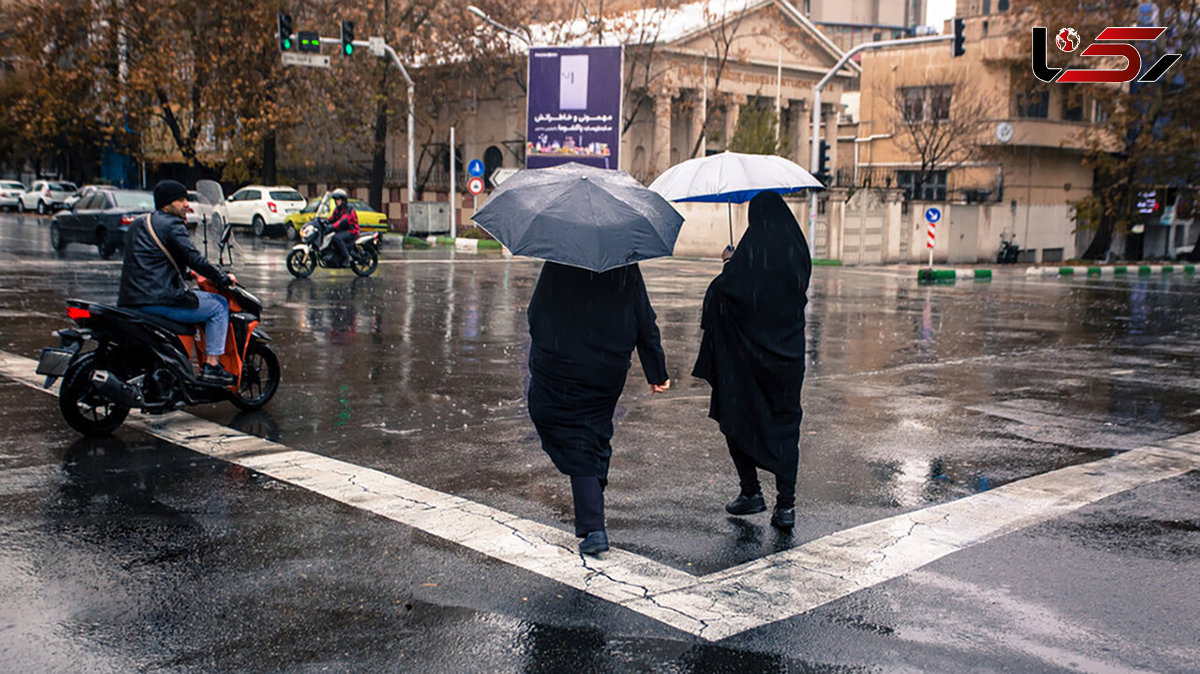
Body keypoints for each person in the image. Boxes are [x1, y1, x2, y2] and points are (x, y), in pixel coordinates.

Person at [527, 262, 670, 556]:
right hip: (608, 367)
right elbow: (644, 318)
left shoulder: (562, 259)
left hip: (564, 363)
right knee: (593, 429)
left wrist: (546, 351)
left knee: (572, 435)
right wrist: (656, 371)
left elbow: (536, 314)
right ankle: (592, 485)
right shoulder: (624, 262)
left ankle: (594, 526)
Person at [692, 191, 811, 530]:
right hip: (788, 358)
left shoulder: (752, 252)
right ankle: (785, 506)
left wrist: (730, 263)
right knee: (787, 427)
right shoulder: (797, 250)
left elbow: (724, 293)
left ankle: (751, 491)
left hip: (747, 362)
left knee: (736, 416)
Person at [118, 180, 239, 386]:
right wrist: (222, 277)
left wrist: (188, 273)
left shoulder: (140, 223)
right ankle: (212, 366)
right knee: (219, 306)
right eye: (180, 200)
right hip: (160, 299)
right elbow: (193, 257)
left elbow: (152, 260)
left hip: (130, 299)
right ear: (166, 204)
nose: (186, 204)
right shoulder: (173, 224)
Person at [326, 188, 359, 267]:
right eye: (336, 200)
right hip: (343, 231)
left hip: (352, 231)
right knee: (330, 237)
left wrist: (332, 227)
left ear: (343, 200)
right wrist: (323, 221)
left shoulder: (348, 209)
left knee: (337, 237)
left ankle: (346, 258)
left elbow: (343, 221)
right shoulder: (338, 210)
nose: (336, 201)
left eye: (338, 199)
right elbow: (332, 218)